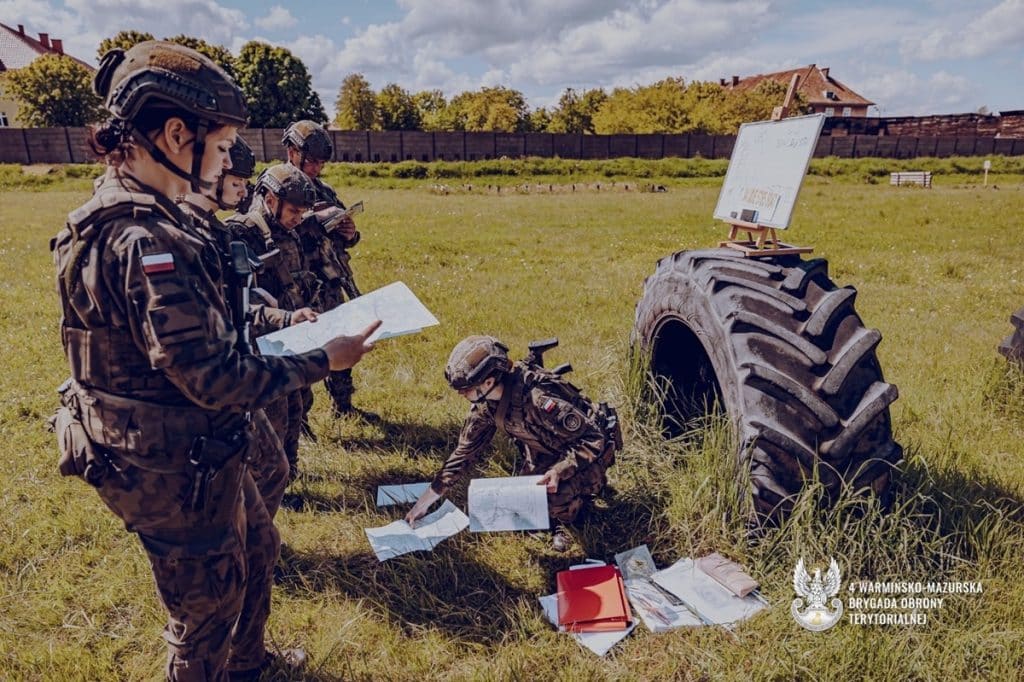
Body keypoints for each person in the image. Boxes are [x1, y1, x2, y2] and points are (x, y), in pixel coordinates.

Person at [50, 41, 379, 681]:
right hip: (167, 467)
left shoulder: (156, 219)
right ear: (177, 135)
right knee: (205, 616)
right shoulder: (141, 240)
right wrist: (324, 358)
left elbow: (214, 322)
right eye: (223, 145)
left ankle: (248, 666)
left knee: (259, 544)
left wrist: (281, 322)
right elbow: (213, 378)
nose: (229, 161)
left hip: (196, 448)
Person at [406, 336, 622, 552]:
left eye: (466, 389)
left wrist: (559, 470)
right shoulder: (488, 405)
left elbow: (594, 438)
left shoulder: (537, 399)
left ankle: (573, 515)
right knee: (522, 499)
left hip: (586, 454)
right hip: (547, 450)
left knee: (551, 498)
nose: (461, 394)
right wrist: (424, 502)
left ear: (488, 382)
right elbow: (463, 454)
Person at [225, 163, 320, 483]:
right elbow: (239, 301)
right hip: (260, 346)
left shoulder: (290, 231)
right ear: (269, 199)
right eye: (294, 211)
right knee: (273, 422)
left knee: (296, 411)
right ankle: (268, 490)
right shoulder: (241, 233)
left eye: (303, 212)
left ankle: (289, 479)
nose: (298, 218)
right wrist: (284, 317)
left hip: (291, 340)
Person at [283, 120, 363, 418]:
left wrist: (349, 233)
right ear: (292, 152)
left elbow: (342, 237)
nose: (317, 168)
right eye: (312, 161)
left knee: (340, 341)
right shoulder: (278, 185)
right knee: (300, 349)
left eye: (321, 163)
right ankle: (297, 420)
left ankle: (343, 406)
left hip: (330, 280)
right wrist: (313, 220)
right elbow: (271, 230)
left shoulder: (323, 189)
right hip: (296, 284)